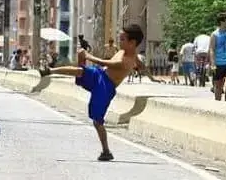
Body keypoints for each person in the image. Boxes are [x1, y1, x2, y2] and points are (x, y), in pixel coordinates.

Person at [38, 24, 159, 161]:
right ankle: (49, 71)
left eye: (122, 39)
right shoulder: (126, 53)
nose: (119, 42)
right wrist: (153, 78)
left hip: (106, 87)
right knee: (80, 71)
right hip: (100, 75)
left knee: (97, 121)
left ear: (132, 43)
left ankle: (106, 151)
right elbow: (142, 66)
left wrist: (88, 56)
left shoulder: (126, 61)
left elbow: (103, 62)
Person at [209, 12, 226, 101]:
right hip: (219, 62)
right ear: (221, 22)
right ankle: (218, 103)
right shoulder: (214, 34)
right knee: (218, 86)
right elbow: (212, 49)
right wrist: (213, 64)